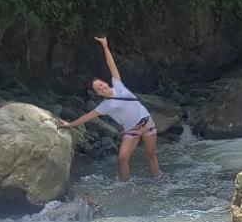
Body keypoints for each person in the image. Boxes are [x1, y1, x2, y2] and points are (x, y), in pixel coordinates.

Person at [58, 36, 163, 181]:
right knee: (122, 158)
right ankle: (126, 185)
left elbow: (111, 64)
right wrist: (70, 124)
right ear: (98, 93)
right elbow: (87, 116)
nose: (101, 87)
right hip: (132, 130)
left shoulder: (118, 84)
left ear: (106, 83)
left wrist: (105, 47)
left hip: (147, 123)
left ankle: (158, 180)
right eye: (98, 88)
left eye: (101, 84)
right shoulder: (105, 106)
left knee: (151, 155)